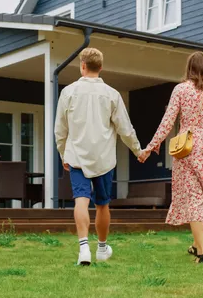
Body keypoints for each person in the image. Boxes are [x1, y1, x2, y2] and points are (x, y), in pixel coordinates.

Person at [138, 51, 203, 264]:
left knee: (194, 199)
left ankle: (201, 252)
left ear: (189, 68)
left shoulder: (180, 90)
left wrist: (150, 147)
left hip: (187, 148)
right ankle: (196, 245)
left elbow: (167, 121)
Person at [55, 48, 142, 266]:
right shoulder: (112, 94)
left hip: (77, 157)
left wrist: (63, 152)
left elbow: (60, 129)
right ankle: (102, 249)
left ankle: (84, 249)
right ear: (101, 67)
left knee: (81, 201)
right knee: (102, 205)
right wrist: (138, 151)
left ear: (82, 65)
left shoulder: (68, 92)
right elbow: (125, 128)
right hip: (104, 159)